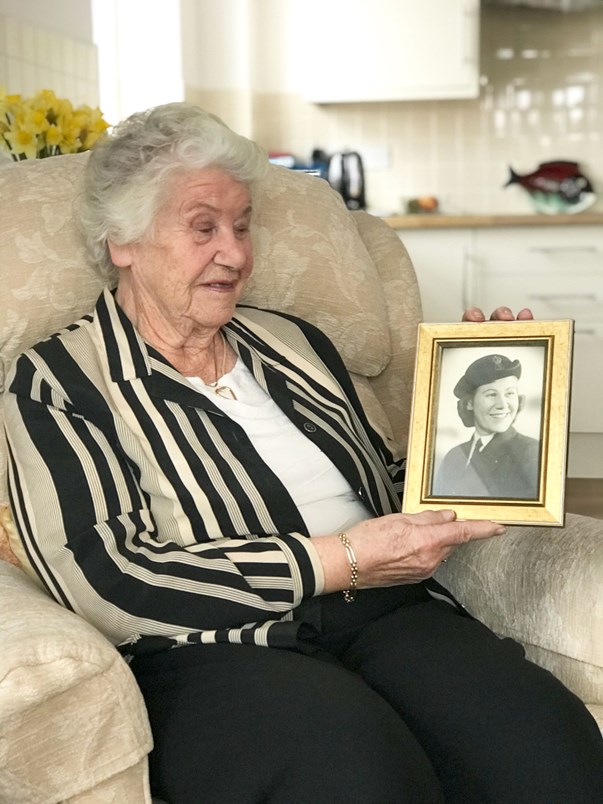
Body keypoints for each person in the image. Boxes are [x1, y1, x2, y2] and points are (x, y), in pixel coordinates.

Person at [4, 103, 602, 804]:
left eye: (242, 224)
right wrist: (340, 557)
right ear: (122, 242)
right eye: (203, 227)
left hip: (388, 611)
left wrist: (491, 418)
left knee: (550, 754)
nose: (234, 252)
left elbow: (389, 485)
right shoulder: (56, 380)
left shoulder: (293, 343)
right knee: (357, 778)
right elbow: (109, 578)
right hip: (216, 652)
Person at [433, 353, 541, 499]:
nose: (503, 405)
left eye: (509, 393)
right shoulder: (454, 456)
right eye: (491, 395)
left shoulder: (532, 454)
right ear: (470, 403)